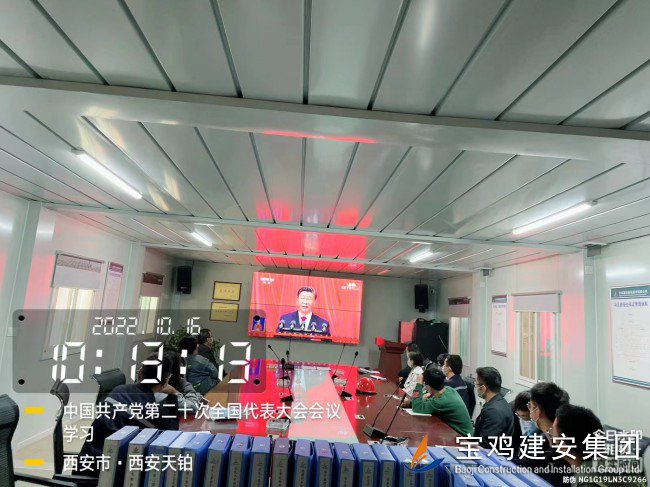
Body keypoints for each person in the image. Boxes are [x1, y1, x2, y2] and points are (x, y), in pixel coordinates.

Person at [76, 352, 178, 474]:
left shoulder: (118, 390)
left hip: (85, 466)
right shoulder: (153, 412)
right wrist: (173, 395)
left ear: (140, 373)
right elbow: (172, 435)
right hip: (109, 476)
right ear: (165, 382)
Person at [411, 368, 474, 436]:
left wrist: (419, 384)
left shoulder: (440, 402)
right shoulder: (449, 390)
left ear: (428, 386)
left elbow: (416, 406)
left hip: (463, 437)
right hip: (463, 433)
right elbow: (428, 401)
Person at [473, 367, 515, 447]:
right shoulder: (499, 402)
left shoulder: (493, 411)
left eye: (476, 384)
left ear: (483, 388)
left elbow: (485, 445)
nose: (475, 387)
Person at [154, 349, 204, 414]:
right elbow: (193, 406)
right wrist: (174, 392)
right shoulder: (161, 392)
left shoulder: (178, 381)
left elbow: (195, 396)